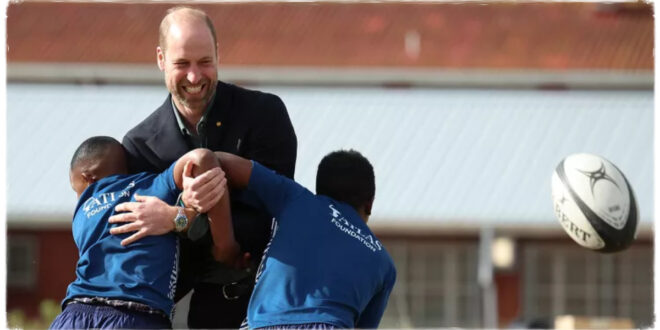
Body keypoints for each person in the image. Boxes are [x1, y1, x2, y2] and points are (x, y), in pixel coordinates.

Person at [120, 5, 297, 328]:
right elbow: (141, 245)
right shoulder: (139, 146)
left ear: (218, 53)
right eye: (181, 64)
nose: (194, 76)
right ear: (160, 59)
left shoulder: (265, 115)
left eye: (204, 62)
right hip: (190, 309)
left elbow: (276, 212)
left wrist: (179, 217)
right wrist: (188, 213)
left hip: (272, 303)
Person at [114, 149, 397, 328]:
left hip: (266, 324)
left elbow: (215, 160)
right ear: (370, 203)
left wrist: (220, 240)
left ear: (319, 189)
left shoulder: (298, 199)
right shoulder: (383, 263)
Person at [49, 136, 244, 329]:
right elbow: (202, 158)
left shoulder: (82, 210)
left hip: (74, 315)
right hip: (136, 316)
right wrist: (225, 246)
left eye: (77, 190)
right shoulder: (154, 187)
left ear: (88, 178)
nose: (79, 198)